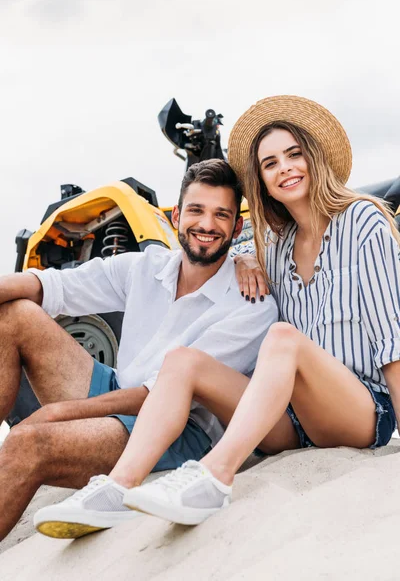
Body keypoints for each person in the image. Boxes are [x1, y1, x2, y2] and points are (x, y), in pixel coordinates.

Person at [67, 94, 398, 528]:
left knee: (282, 339)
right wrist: (245, 258)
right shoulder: (273, 247)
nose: (286, 169)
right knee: (182, 361)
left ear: (314, 158)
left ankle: (213, 477)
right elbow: (229, 252)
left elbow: (393, 341)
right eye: (270, 163)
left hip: (361, 411)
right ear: (261, 179)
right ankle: (117, 487)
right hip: (293, 423)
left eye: (294, 155)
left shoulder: (363, 223)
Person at [0, 158, 277, 541]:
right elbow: (52, 286)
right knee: (14, 314)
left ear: (237, 225)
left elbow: (155, 394)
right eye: (196, 210)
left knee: (28, 443)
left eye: (221, 215)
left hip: (177, 430)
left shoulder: (250, 304)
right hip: (115, 389)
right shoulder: (147, 266)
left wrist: (57, 413)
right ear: (177, 215)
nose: (207, 225)